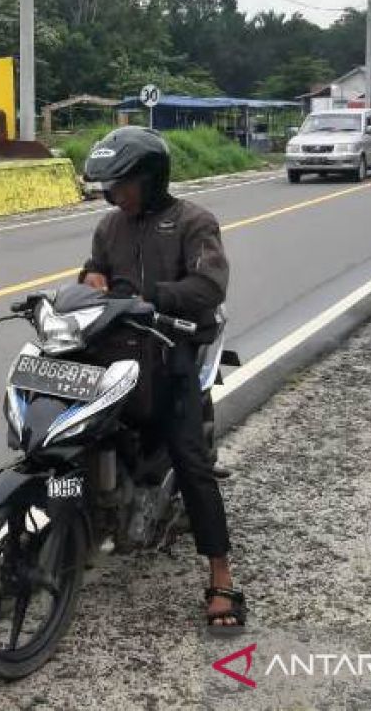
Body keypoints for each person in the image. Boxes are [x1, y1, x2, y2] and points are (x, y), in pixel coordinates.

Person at [79, 125, 246, 631]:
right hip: (122, 345)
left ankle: (221, 575)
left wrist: (156, 301)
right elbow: (93, 272)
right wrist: (91, 282)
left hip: (177, 346)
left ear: (152, 179)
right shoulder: (110, 226)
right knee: (73, 424)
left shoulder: (194, 221)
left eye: (122, 184)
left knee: (190, 458)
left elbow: (209, 286)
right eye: (109, 187)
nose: (114, 195)